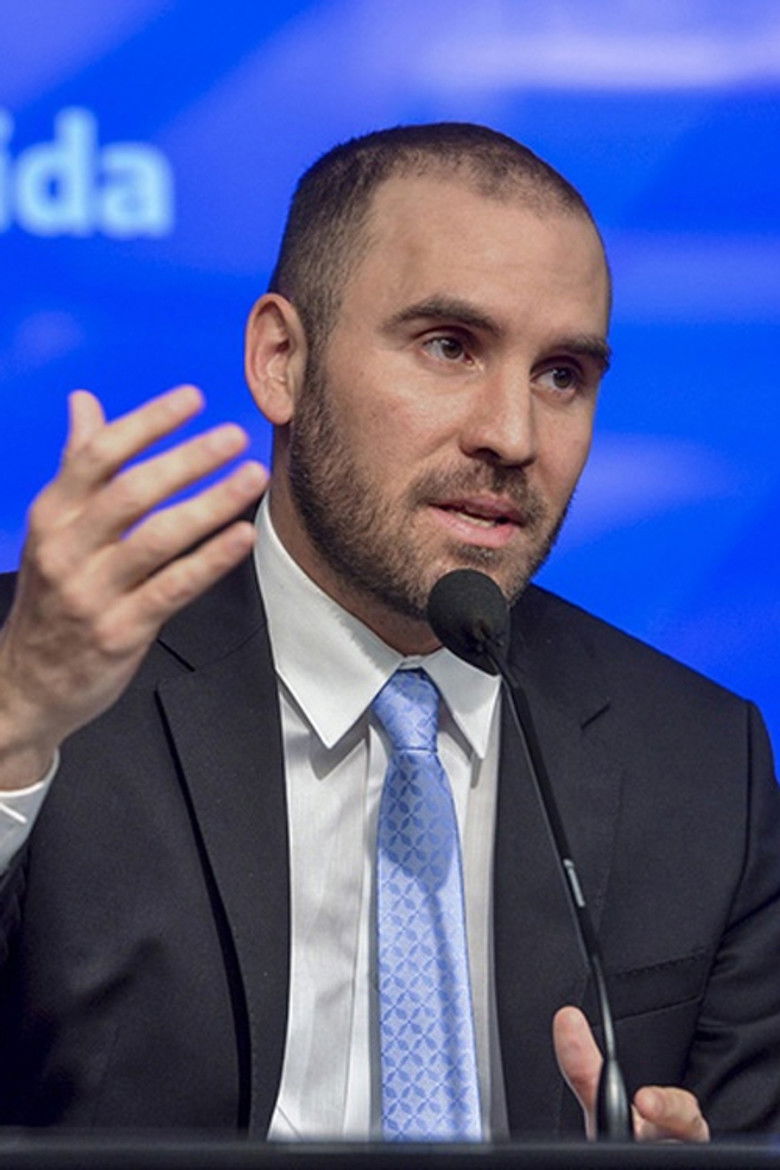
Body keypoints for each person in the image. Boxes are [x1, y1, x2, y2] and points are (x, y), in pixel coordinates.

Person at [0, 122, 777, 1142]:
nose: (511, 435)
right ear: (281, 360)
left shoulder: (703, 763)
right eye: (449, 347)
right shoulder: (40, 676)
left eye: (561, 375)